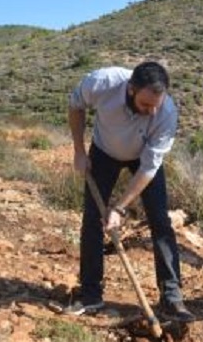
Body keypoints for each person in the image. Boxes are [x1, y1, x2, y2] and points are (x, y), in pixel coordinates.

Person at [63, 61, 195, 322]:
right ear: (131, 89)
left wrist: (120, 208)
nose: (152, 111)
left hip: (142, 158)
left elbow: (148, 168)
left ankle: (171, 297)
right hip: (103, 152)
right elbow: (75, 106)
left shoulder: (166, 112)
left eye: (156, 104)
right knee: (92, 220)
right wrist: (79, 150)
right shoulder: (103, 82)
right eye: (146, 104)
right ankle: (91, 295)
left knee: (160, 221)